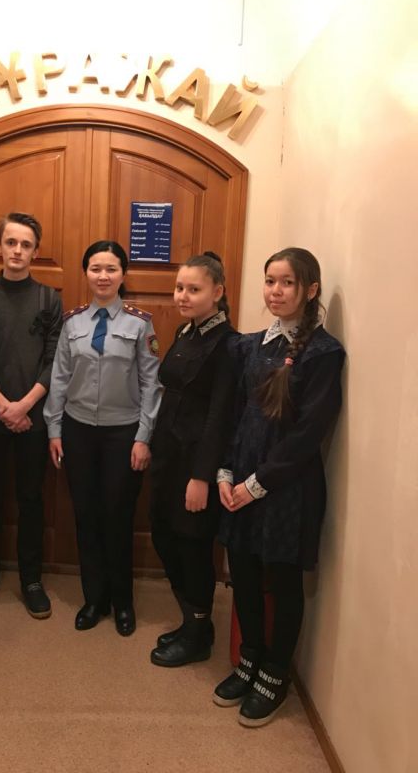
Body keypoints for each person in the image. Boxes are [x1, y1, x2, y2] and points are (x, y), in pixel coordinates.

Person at [215, 247, 345, 727]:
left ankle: (275, 672)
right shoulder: (250, 346)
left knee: (283, 581)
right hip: (241, 479)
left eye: (287, 282)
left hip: (286, 487)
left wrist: (258, 484)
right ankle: (249, 657)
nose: (276, 290)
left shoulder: (324, 353)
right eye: (270, 281)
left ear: (310, 290)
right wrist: (226, 472)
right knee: (244, 573)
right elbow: (236, 415)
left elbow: (309, 434)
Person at [44, 240, 162, 636]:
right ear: (86, 273)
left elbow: (152, 383)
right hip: (77, 431)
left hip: (123, 433)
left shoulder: (140, 324)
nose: (103, 276)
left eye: (111, 268)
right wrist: (54, 429)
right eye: (96, 268)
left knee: (118, 517)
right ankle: (94, 598)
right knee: (86, 516)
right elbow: (59, 378)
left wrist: (143, 437)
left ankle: (122, 601)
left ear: (123, 274)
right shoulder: (72, 322)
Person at [0, 213, 62, 618]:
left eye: (26, 245)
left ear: (36, 251)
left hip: (33, 418)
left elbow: (55, 360)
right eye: (11, 242)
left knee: (31, 499)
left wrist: (23, 406)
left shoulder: (50, 299)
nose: (17, 251)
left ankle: (31, 579)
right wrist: (3, 405)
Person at [149, 252, 237, 667]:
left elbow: (220, 417)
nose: (182, 296)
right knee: (164, 537)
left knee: (192, 546)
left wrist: (202, 476)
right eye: (179, 288)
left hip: (195, 465)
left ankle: (199, 632)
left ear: (217, 292)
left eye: (194, 289)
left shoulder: (228, 345)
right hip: (167, 456)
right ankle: (191, 621)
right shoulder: (185, 331)